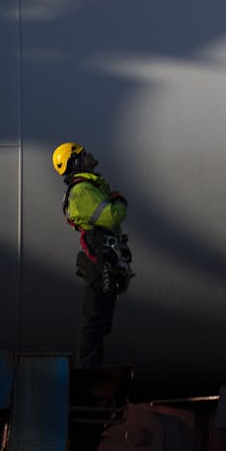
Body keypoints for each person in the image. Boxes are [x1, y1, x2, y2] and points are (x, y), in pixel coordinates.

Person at [54, 142, 133, 368]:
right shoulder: (82, 191)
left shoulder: (90, 187)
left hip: (102, 258)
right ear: (75, 162)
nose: (89, 156)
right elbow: (111, 216)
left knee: (100, 320)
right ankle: (87, 375)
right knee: (95, 320)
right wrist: (119, 201)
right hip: (98, 261)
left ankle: (91, 371)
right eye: (83, 154)